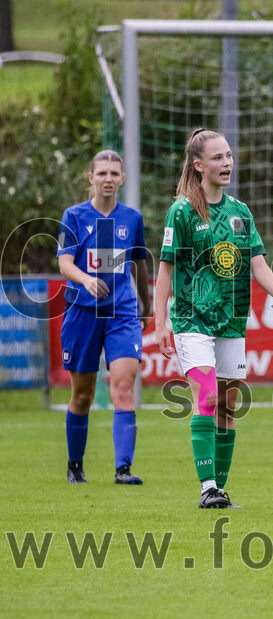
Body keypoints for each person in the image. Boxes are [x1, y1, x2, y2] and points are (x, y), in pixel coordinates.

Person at [154, 128, 273, 509]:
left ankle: (220, 490)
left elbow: (257, 262)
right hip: (191, 319)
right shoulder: (181, 211)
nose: (227, 162)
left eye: (229, 155)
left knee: (228, 405)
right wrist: (160, 321)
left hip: (231, 321)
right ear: (198, 165)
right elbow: (165, 268)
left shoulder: (240, 212)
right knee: (207, 396)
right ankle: (207, 487)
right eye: (218, 157)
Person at [58, 150, 151, 485]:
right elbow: (65, 262)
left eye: (114, 173)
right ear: (91, 178)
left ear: (122, 179)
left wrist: (147, 304)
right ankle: (75, 466)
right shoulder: (74, 216)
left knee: (123, 386)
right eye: (102, 173)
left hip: (122, 312)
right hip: (82, 312)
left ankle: (123, 469)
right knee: (82, 395)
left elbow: (140, 263)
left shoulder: (132, 218)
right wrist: (84, 279)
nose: (108, 179)